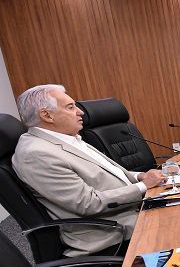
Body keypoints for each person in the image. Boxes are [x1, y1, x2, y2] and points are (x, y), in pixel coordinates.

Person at [12, 84, 164, 257]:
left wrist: (140, 176)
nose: (81, 112)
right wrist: (143, 186)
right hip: (110, 231)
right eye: (70, 107)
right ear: (47, 115)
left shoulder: (65, 137)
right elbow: (88, 204)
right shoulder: (36, 154)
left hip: (127, 210)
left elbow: (106, 174)